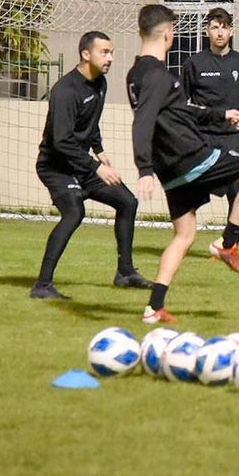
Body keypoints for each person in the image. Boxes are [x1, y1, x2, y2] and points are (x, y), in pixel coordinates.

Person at [127, 4, 239, 323]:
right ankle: (228, 242)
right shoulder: (157, 75)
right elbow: (143, 122)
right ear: (168, 34)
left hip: (171, 171)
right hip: (191, 156)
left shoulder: (135, 74)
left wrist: (221, 114)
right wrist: (143, 168)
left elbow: (180, 110)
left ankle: (154, 306)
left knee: (184, 234)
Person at [29, 31, 152, 300]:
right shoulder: (65, 91)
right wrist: (96, 167)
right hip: (56, 167)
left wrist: (100, 150)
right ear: (86, 54)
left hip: (81, 165)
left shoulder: (100, 83)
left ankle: (126, 273)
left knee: (127, 202)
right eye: (104, 52)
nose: (109, 58)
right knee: (74, 213)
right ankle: (42, 285)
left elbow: (90, 123)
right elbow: (61, 142)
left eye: (111, 53)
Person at [181, 6, 239, 270]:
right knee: (192, 192)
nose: (219, 32)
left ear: (231, 31)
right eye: (214, 27)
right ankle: (183, 238)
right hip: (202, 139)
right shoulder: (194, 63)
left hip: (232, 138)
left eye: (224, 27)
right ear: (206, 31)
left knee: (237, 191)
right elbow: (182, 103)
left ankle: (230, 246)